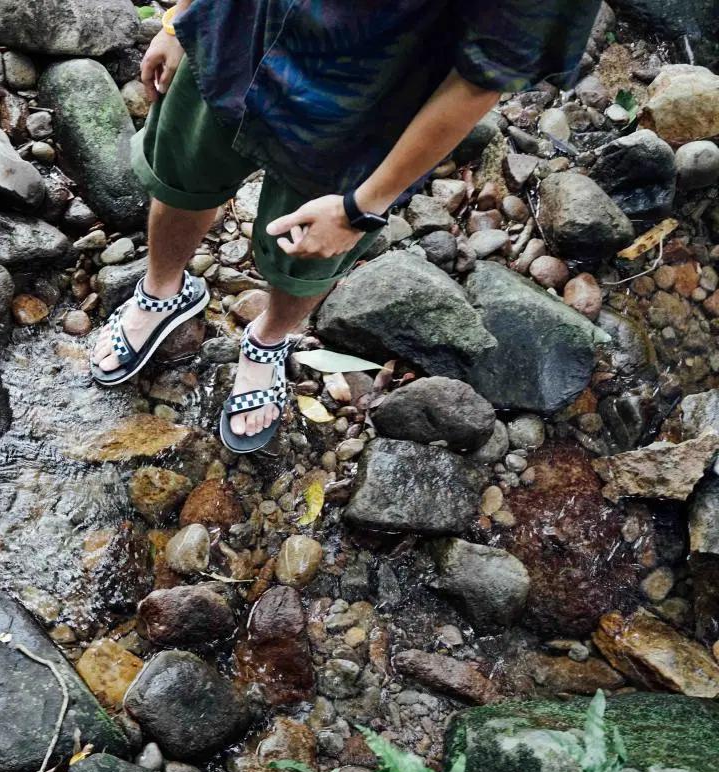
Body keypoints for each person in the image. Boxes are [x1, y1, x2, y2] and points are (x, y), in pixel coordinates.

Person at [90, 0, 602, 453]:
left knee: (304, 259)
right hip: (233, 32)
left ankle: (268, 340)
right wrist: (181, 19)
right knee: (181, 178)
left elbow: (487, 72)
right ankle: (163, 290)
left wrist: (362, 207)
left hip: (363, 107)